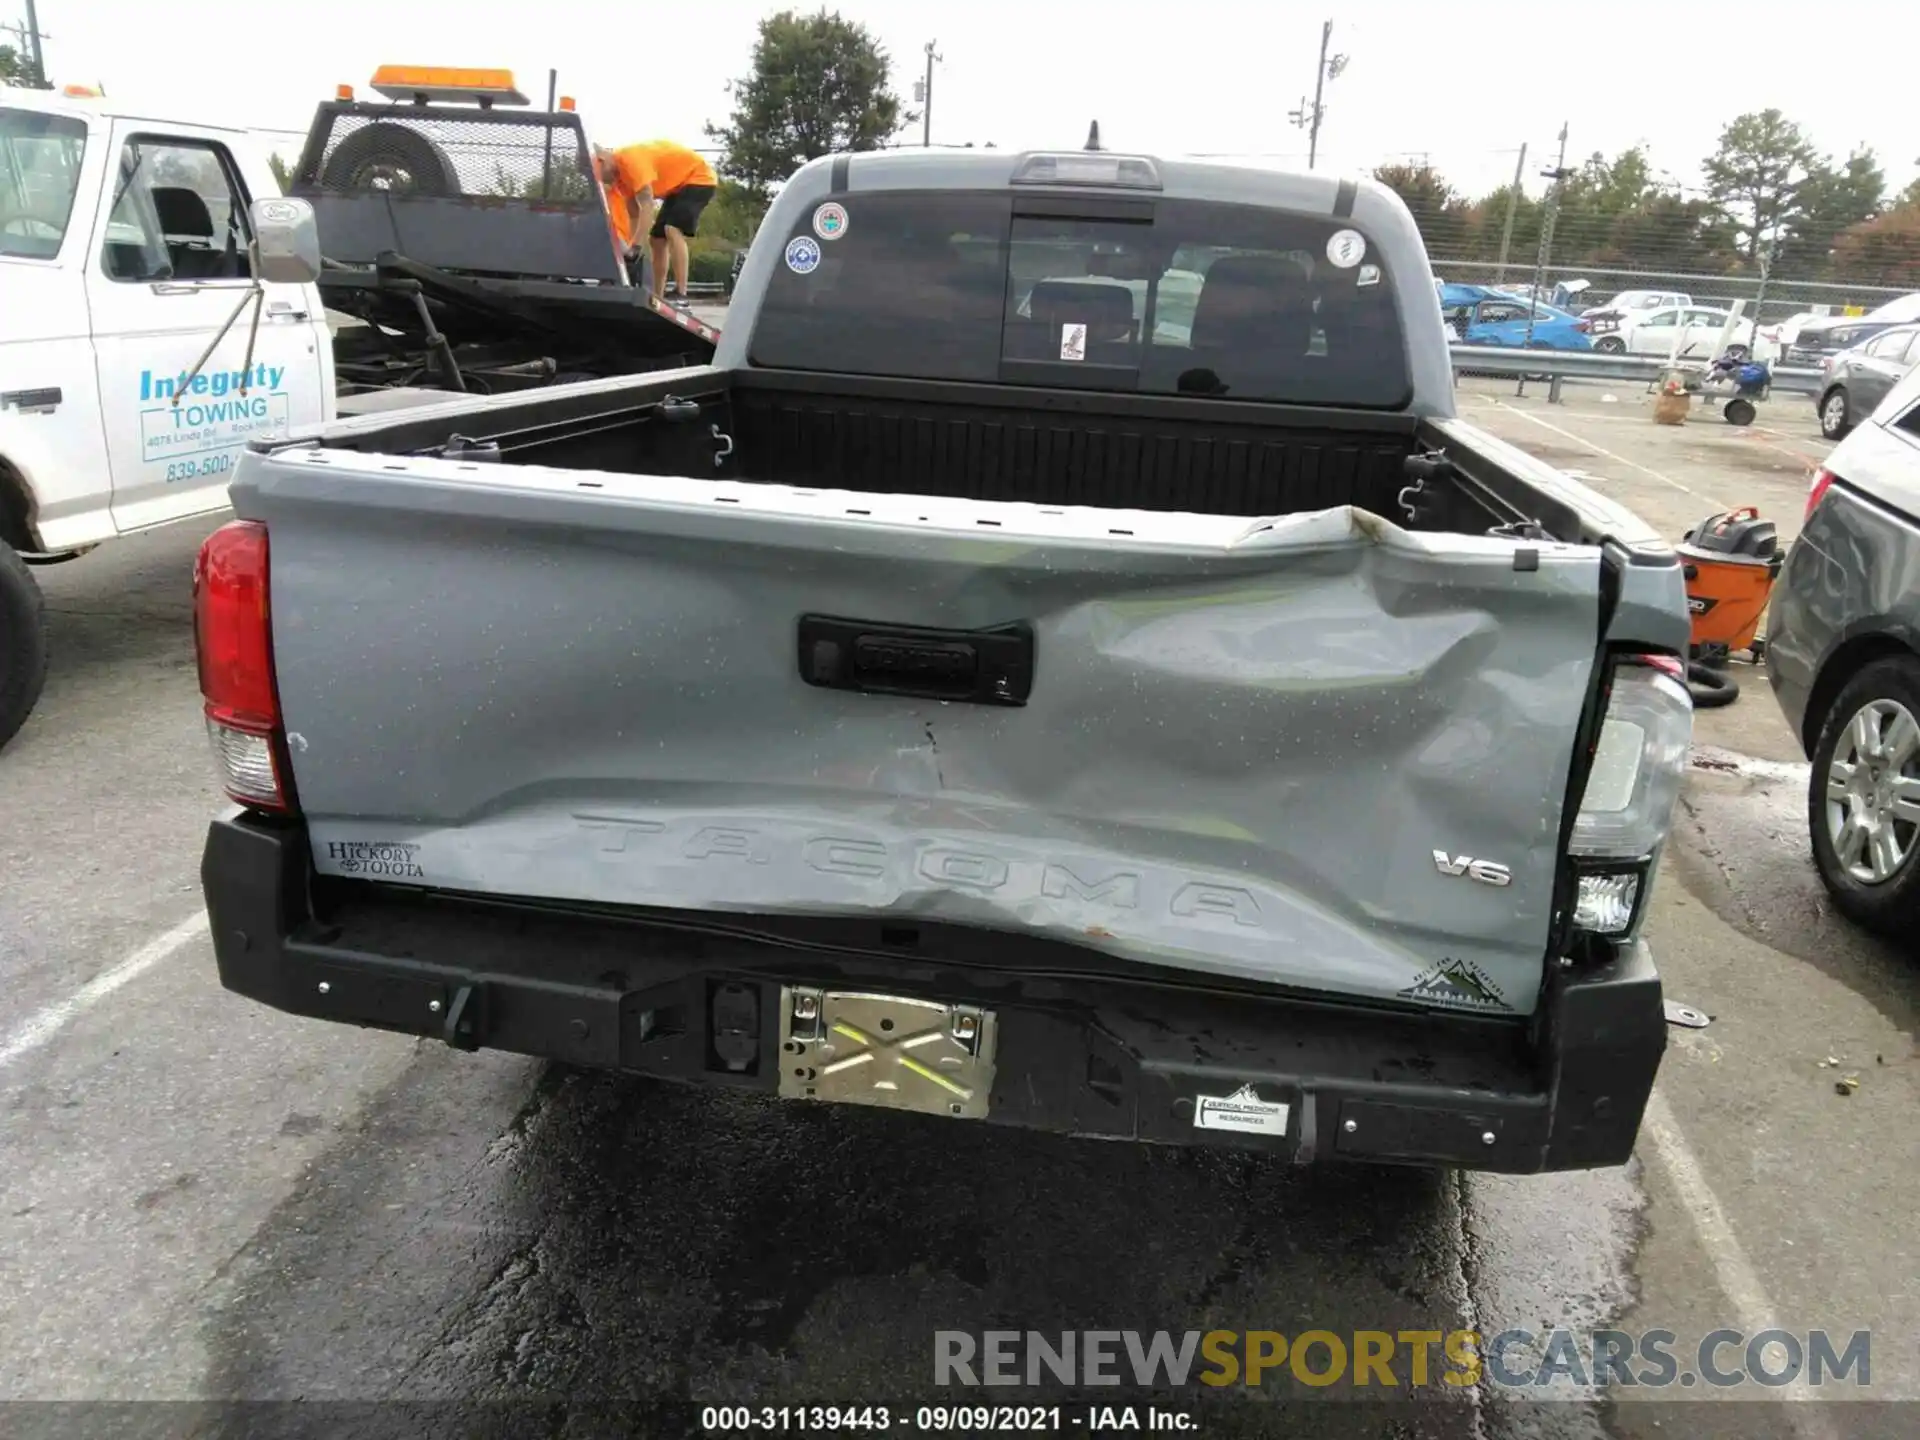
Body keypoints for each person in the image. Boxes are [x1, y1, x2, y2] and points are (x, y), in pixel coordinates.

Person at [594, 140, 717, 306]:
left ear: (604, 161)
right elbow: (634, 214)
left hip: (699, 178)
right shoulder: (620, 180)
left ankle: (681, 293)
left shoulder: (631, 161)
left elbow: (647, 204)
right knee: (656, 240)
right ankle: (658, 295)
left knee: (672, 229)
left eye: (601, 176)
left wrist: (636, 247)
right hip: (677, 187)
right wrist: (631, 247)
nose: (603, 182)